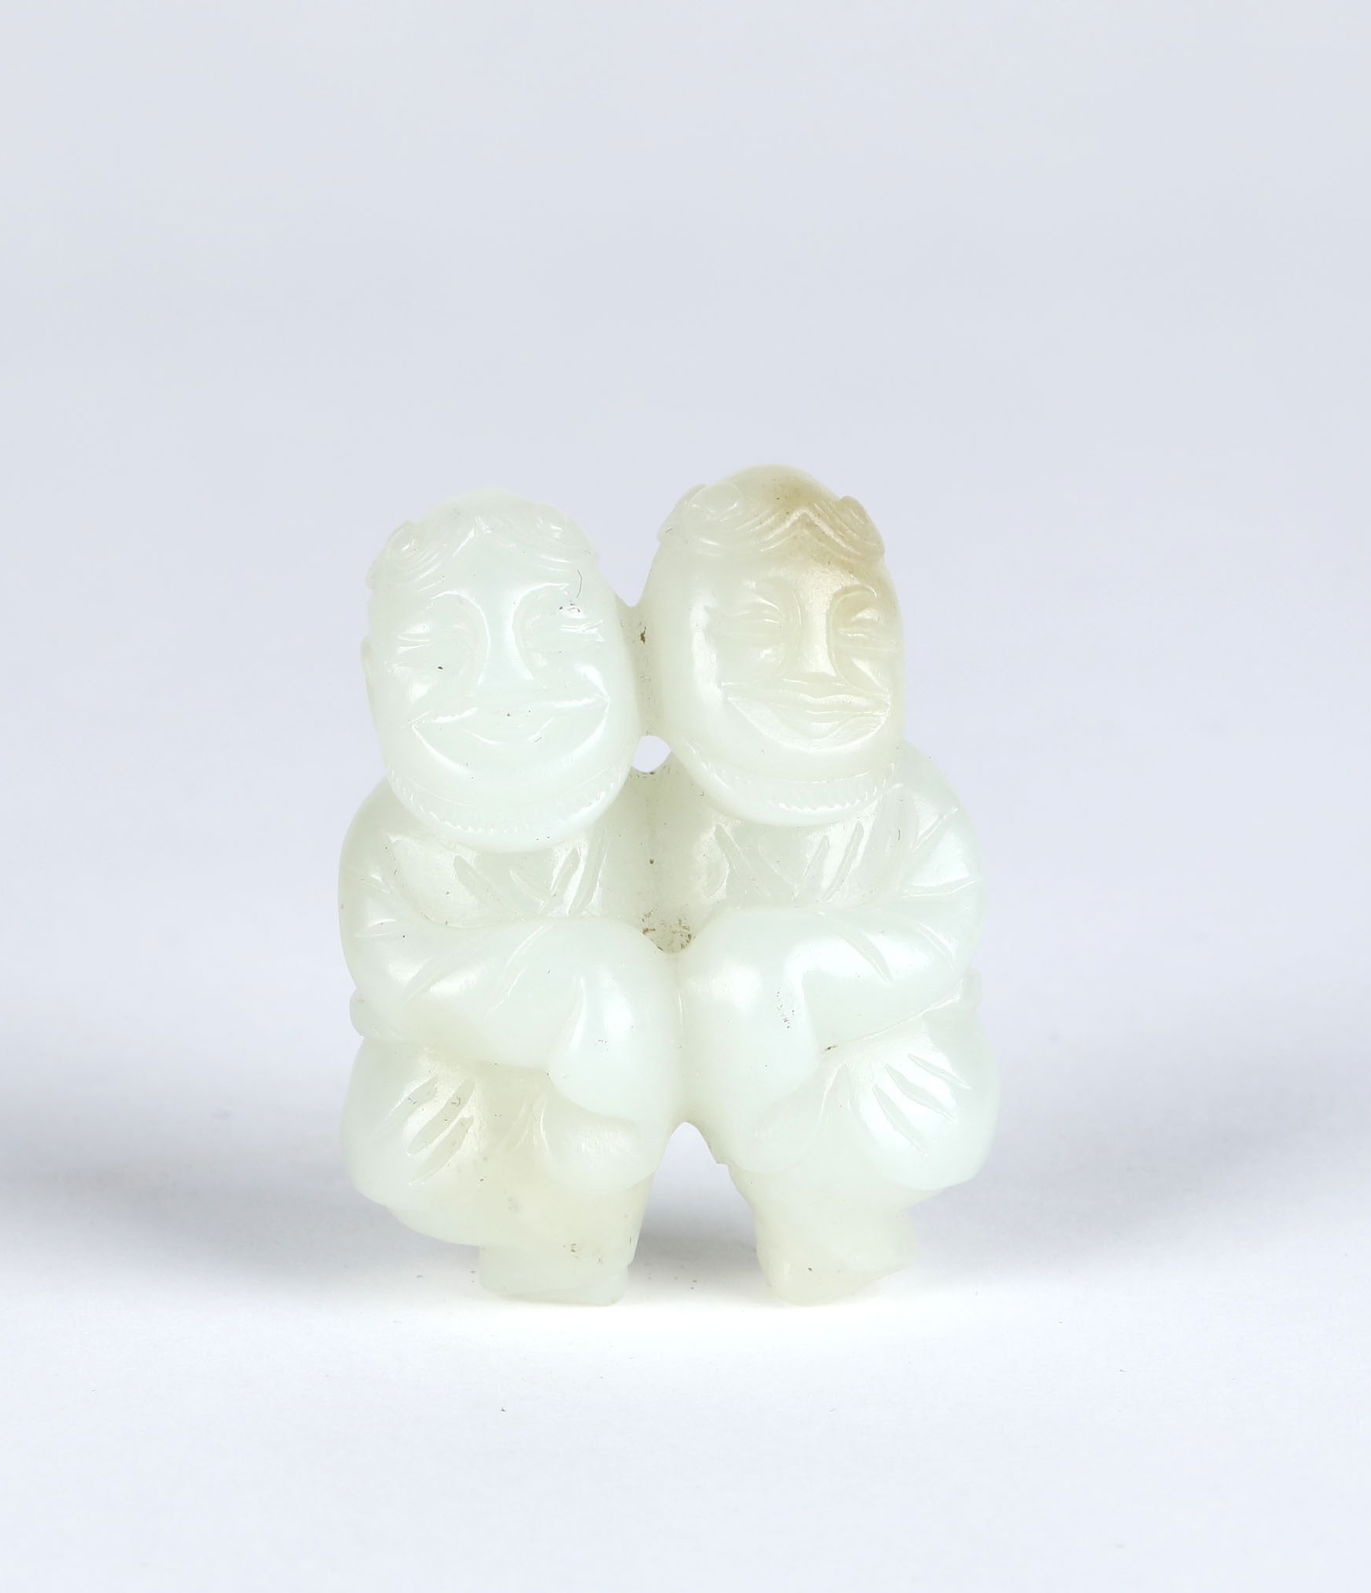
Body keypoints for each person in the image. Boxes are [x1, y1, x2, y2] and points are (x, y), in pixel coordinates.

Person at [640, 466, 997, 1303]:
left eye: (856, 629)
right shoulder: (654, 810)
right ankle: (571, 1223)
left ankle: (829, 1225)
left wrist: (789, 973)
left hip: (877, 1074)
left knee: (865, 1118)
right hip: (644, 1057)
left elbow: (941, 930)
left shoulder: (908, 803)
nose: (818, 667)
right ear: (657, 657)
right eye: (763, 631)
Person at [340, 491, 679, 1304]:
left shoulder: (660, 815)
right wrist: (569, 990)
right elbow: (405, 976)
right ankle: (553, 1229)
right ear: (376, 678)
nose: (504, 686)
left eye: (553, 639)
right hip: (467, 1093)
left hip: (652, 1068)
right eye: (441, 653)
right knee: (408, 1149)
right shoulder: (395, 840)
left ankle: (815, 1211)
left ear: (635, 654)